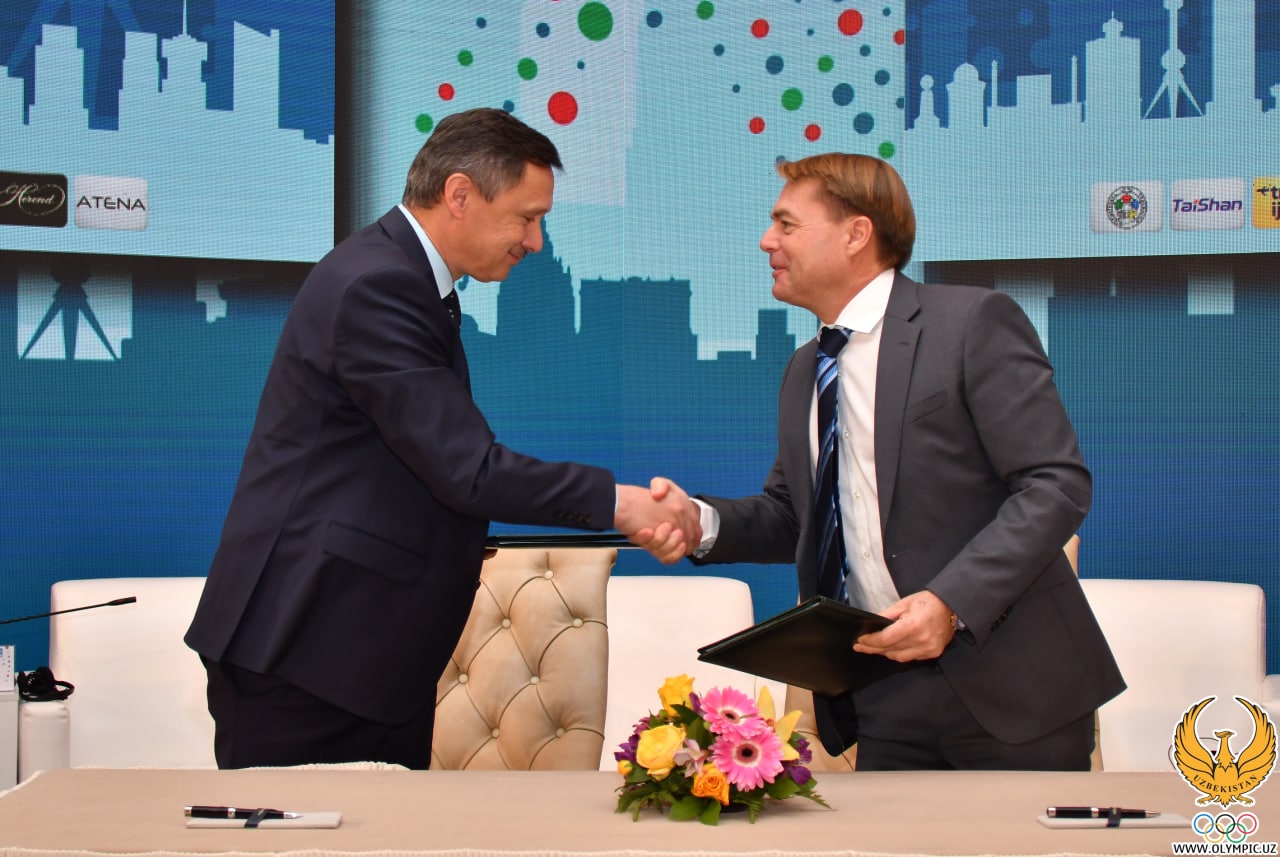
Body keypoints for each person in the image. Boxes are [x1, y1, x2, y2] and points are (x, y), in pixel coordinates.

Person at [184, 108, 699, 770]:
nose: (535, 241)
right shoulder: (379, 284)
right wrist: (622, 503)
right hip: (309, 652)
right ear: (460, 194)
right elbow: (468, 470)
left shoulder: (398, 275)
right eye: (526, 217)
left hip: (355, 657)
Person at [643, 152, 1124, 770]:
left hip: (1012, 688)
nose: (767, 241)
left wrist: (949, 603)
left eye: (786, 224)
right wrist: (700, 523)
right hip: (881, 693)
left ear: (856, 233)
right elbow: (796, 518)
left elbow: (1054, 484)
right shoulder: (804, 369)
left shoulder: (970, 324)